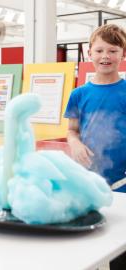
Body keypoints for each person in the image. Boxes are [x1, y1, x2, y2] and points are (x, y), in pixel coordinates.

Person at [65, 24, 126, 193]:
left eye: (113, 51)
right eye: (99, 51)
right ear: (89, 53)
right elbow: (72, 130)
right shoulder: (78, 94)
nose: (105, 56)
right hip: (87, 179)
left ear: (123, 54)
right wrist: (75, 143)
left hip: (122, 181)